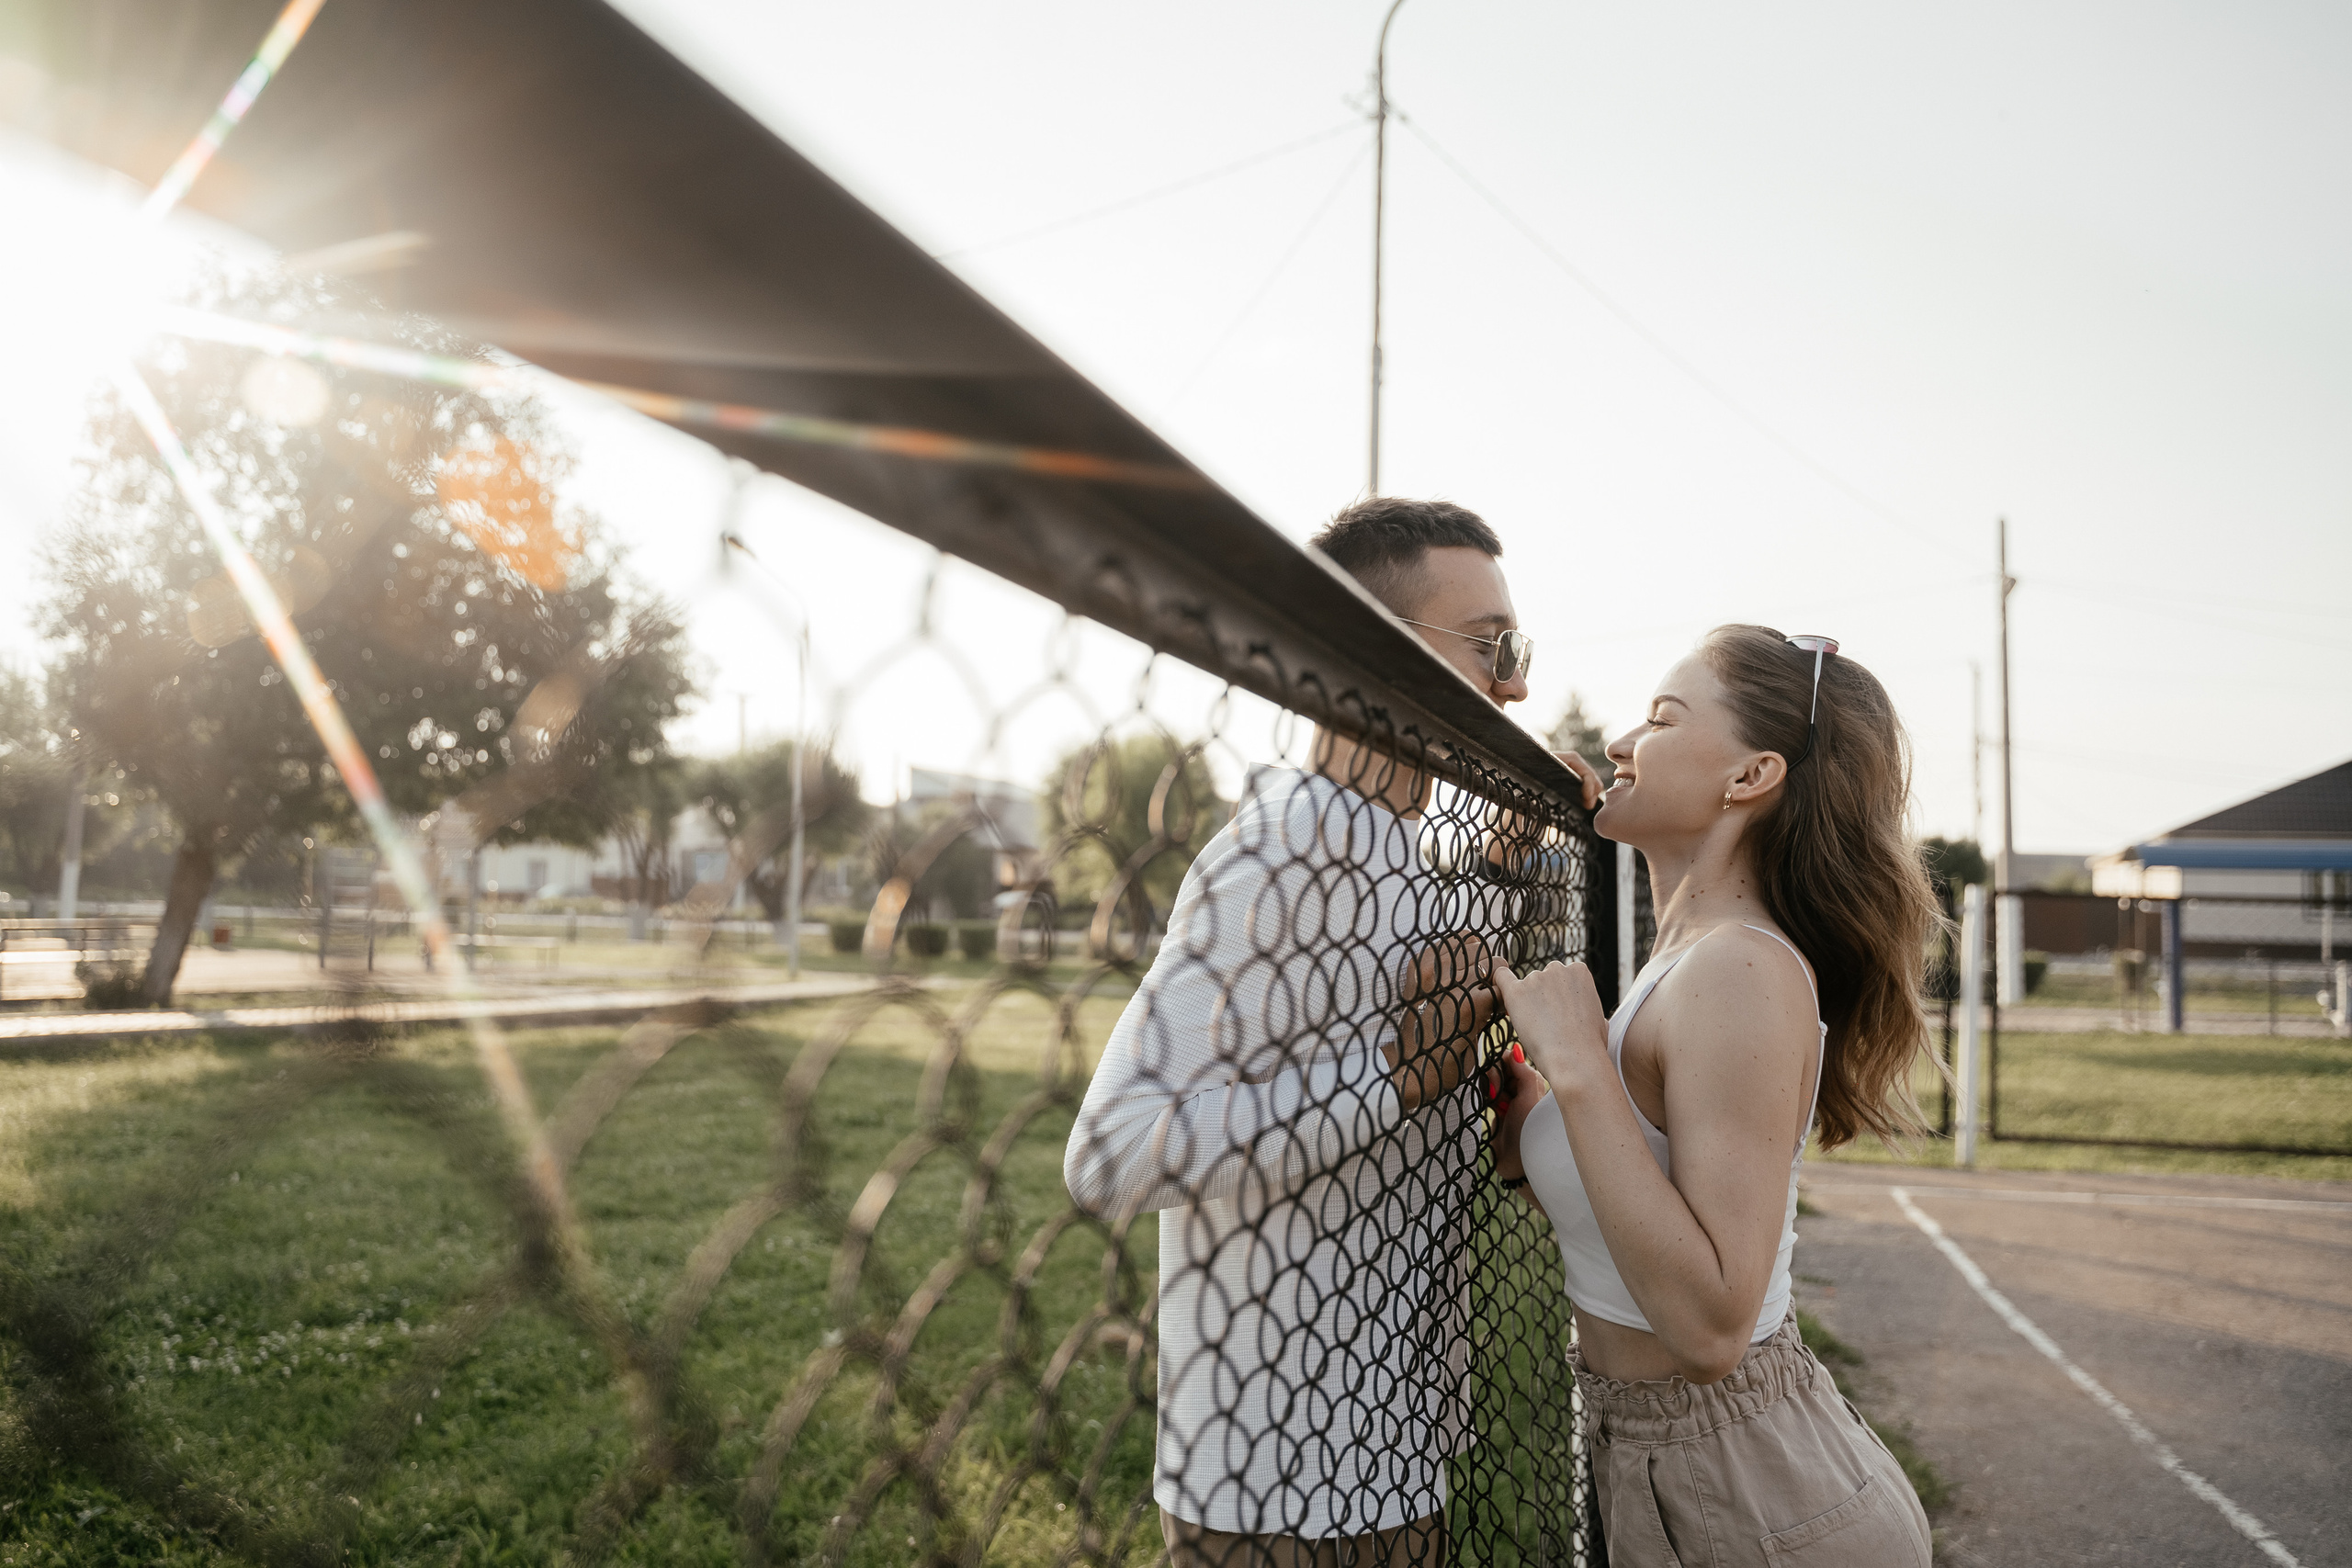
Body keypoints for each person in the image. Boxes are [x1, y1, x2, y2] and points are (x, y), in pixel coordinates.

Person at [1062, 496, 1598, 1567]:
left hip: (1389, 1461)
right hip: (1276, 1492)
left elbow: (1408, 999)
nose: (1519, 685)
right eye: (1493, 647)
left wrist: (1500, 864)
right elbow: (1107, 1153)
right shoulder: (1281, 852)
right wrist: (1380, 1087)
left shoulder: (1392, 849)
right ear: (1381, 654)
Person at [1488, 625, 1938, 1567]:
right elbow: (1646, 1207)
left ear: (1749, 777)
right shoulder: (1687, 962)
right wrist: (1543, 1132)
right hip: (1686, 1475)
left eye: (1659, 719)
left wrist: (1577, 1069)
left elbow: (1710, 1325)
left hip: (1754, 1497)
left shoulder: (1739, 968)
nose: (1617, 743)